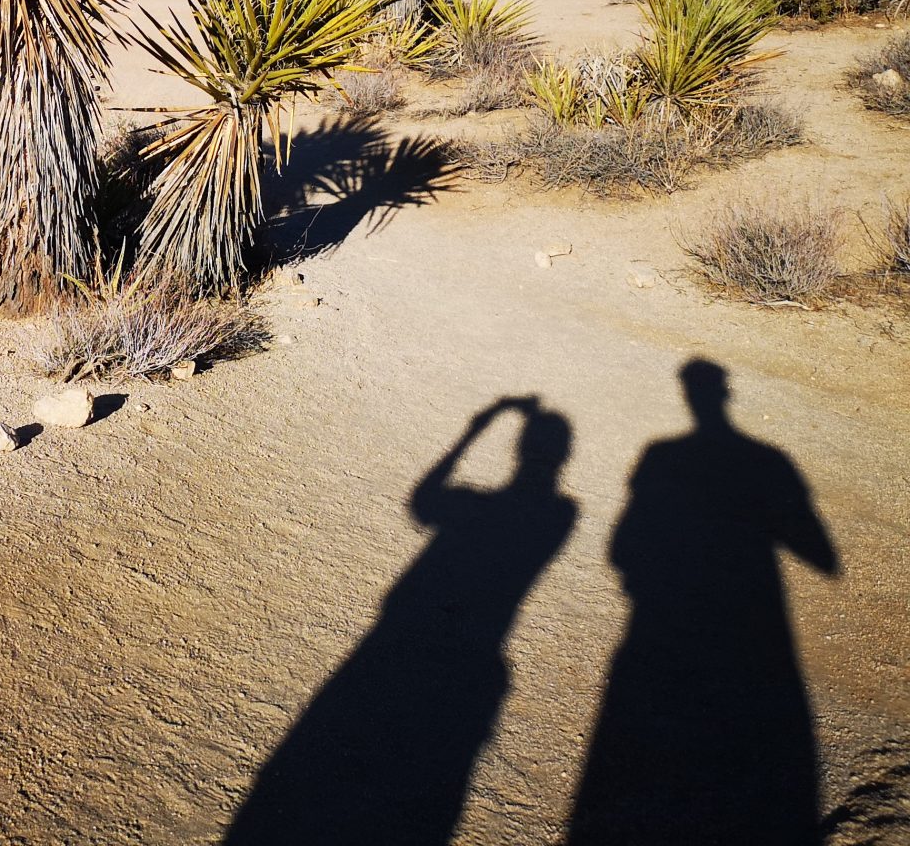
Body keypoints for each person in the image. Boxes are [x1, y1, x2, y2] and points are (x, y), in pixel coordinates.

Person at [226, 396, 576, 845]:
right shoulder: (561, 514)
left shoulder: (482, 505)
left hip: (392, 632)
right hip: (478, 652)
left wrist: (474, 431)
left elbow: (422, 501)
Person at [568, 358, 839, 845]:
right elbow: (822, 557)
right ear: (726, 394)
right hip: (754, 619)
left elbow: (621, 548)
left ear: (687, 395)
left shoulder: (659, 454)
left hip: (658, 619)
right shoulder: (770, 461)